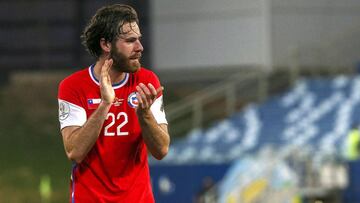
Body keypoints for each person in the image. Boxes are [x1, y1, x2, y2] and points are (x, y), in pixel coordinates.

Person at [57, 4, 170, 202]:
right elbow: (74, 152)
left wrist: (144, 114)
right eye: (130, 41)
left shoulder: (147, 82)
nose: (140, 47)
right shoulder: (72, 87)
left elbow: (161, 150)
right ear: (106, 44)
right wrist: (105, 104)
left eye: (139, 40)